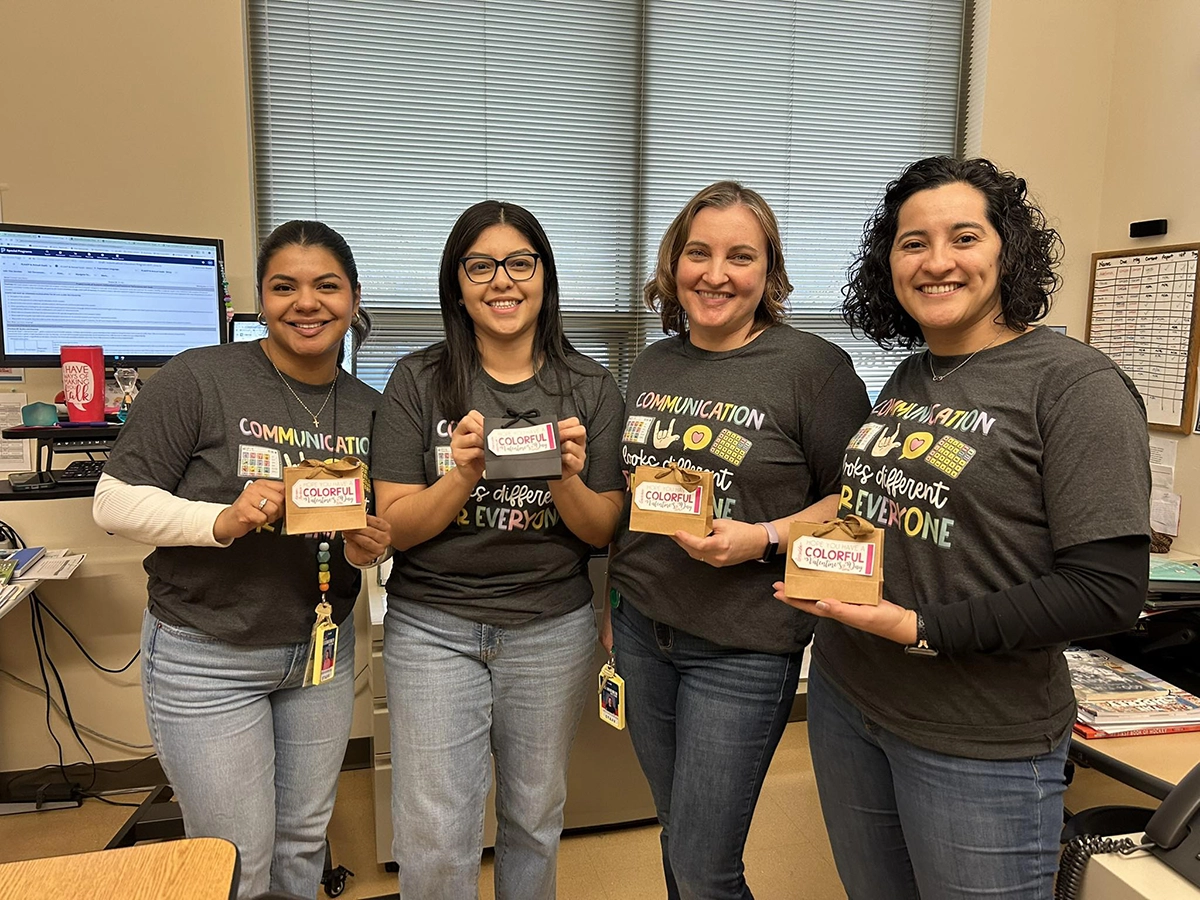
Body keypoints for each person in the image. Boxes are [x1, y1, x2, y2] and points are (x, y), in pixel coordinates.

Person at [775, 156, 1151, 900]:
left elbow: (1106, 591)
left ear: (1006, 249)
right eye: (913, 242)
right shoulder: (914, 376)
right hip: (852, 701)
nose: (937, 261)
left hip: (978, 739)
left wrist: (920, 626)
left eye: (964, 237)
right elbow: (874, 505)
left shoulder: (1075, 385)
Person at [92, 220, 392, 900]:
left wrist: (367, 545)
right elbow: (112, 503)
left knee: (301, 846)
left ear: (353, 297)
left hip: (319, 652)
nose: (306, 303)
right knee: (235, 861)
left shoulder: (373, 410)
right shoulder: (201, 376)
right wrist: (223, 520)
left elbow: (370, 524)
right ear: (262, 297)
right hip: (207, 653)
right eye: (284, 287)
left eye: (326, 286)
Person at [606, 181, 871, 900]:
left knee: (703, 863)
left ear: (769, 272)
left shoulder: (815, 370)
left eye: (739, 256)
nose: (715, 274)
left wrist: (763, 537)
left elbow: (861, 497)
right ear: (674, 262)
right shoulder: (656, 363)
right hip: (643, 632)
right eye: (699, 252)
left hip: (743, 647)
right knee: (677, 833)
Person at [371, 200, 625, 899]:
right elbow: (394, 526)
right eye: (480, 266)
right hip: (433, 628)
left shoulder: (590, 385)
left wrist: (565, 479)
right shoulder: (417, 380)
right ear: (457, 283)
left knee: (534, 818)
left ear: (544, 276)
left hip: (551, 629)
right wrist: (461, 475)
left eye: (520, 263)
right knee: (434, 835)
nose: (501, 281)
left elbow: (602, 528)